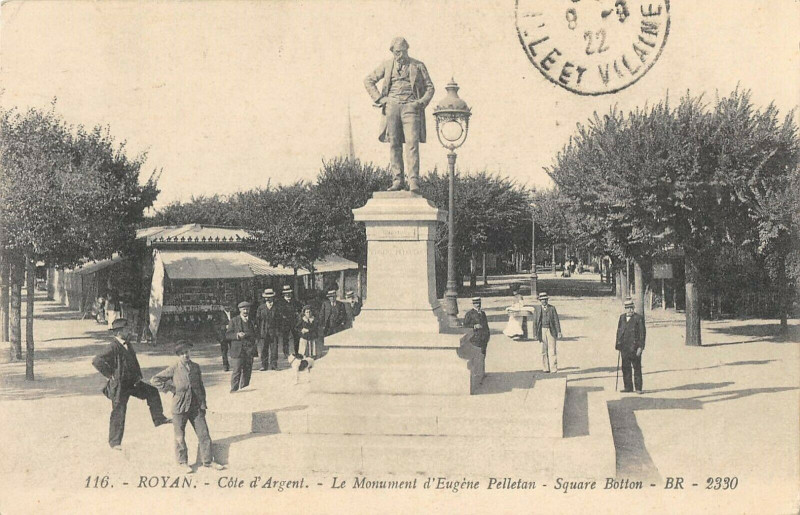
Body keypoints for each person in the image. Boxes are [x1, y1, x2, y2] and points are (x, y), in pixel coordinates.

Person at [364, 36, 435, 193]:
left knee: (412, 143)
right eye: (397, 52)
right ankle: (397, 180)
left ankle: (414, 181)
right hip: (392, 106)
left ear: (407, 50)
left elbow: (430, 87)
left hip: (411, 106)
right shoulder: (387, 65)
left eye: (402, 52)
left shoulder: (418, 65)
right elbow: (368, 80)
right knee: (394, 144)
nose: (400, 55)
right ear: (392, 51)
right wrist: (380, 99)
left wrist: (420, 102)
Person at [91, 318, 170, 450]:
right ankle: (115, 442)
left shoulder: (127, 343)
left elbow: (133, 362)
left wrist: (138, 376)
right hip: (120, 386)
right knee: (119, 411)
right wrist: (110, 374)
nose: (129, 331)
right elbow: (96, 360)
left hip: (133, 383)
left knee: (152, 392)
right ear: (119, 332)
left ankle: (159, 419)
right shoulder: (113, 346)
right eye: (127, 329)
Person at [150, 341, 225, 473]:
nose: (186, 355)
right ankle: (182, 462)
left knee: (204, 434)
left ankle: (208, 461)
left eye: (187, 352)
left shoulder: (196, 367)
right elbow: (155, 379)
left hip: (195, 407)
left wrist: (203, 404)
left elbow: (200, 387)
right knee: (180, 436)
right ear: (178, 355)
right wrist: (171, 388)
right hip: (179, 407)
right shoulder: (174, 368)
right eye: (182, 353)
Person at [615, 298, 646, 393]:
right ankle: (628, 387)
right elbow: (619, 331)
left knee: (636, 368)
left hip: (635, 348)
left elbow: (642, 334)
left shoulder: (638, 318)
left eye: (632, 308)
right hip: (624, 347)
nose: (630, 310)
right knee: (625, 368)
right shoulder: (622, 317)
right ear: (625, 309)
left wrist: (640, 347)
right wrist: (618, 344)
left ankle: (638, 388)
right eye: (628, 308)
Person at [225, 301, 256, 392]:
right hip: (237, 350)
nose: (246, 311)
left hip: (249, 350)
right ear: (240, 310)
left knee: (247, 371)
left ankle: (244, 389)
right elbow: (227, 335)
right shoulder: (234, 321)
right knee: (236, 371)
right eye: (244, 309)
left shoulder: (252, 321)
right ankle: (234, 390)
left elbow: (255, 333)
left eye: (247, 309)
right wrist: (237, 335)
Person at [534, 292, 562, 373]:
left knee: (552, 350)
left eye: (545, 299)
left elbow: (556, 320)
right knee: (543, 351)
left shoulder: (552, 308)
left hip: (551, 330)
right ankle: (545, 368)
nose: (544, 301)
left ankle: (553, 368)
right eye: (542, 300)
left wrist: (559, 331)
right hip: (541, 331)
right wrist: (535, 334)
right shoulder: (537, 309)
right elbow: (535, 322)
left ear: (547, 300)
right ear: (540, 301)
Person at [255, 289, 281, 371]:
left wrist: (279, 330)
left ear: (273, 297)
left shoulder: (277, 307)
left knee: (274, 349)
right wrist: (258, 332)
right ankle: (264, 365)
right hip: (263, 331)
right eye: (267, 297)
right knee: (263, 349)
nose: (268, 299)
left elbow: (280, 320)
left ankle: (274, 365)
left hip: (274, 331)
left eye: (270, 297)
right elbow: (257, 320)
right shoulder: (261, 307)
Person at [278, 285, 303, 355]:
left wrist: (298, 315)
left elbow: (300, 310)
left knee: (296, 337)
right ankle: (286, 353)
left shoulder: (295, 301)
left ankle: (297, 352)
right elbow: (279, 313)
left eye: (289, 293)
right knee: (285, 338)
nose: (288, 294)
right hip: (285, 323)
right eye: (286, 293)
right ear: (284, 294)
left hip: (294, 323)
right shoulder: (280, 303)